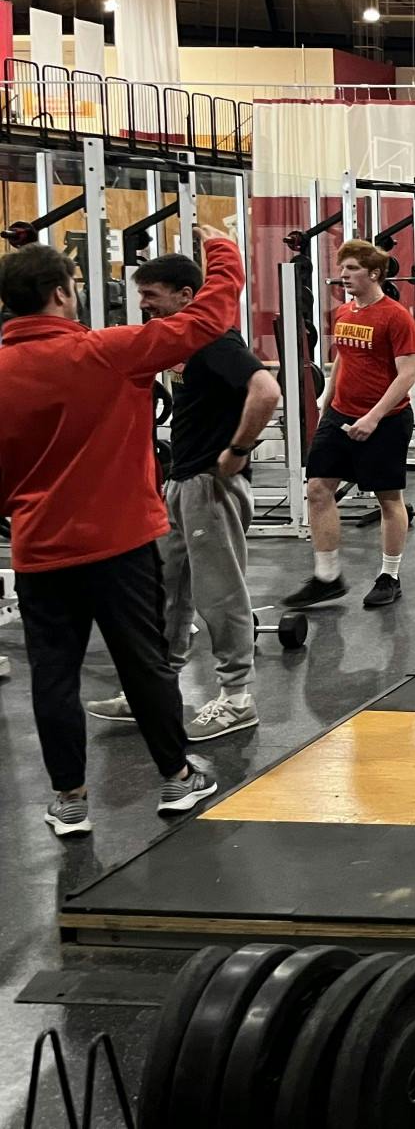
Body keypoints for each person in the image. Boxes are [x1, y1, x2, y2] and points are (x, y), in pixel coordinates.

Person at [0, 229, 242, 836]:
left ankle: (71, 800)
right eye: (76, 286)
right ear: (59, 294)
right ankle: (176, 779)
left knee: (54, 675)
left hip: (39, 548)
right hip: (119, 543)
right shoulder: (107, 351)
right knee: (145, 663)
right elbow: (208, 316)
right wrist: (223, 252)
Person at [86, 254, 278, 742]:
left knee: (220, 594)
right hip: (181, 484)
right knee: (165, 589)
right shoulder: (191, 345)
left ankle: (237, 698)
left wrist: (237, 451)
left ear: (185, 296)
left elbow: (266, 390)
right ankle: (154, 688)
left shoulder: (216, 341)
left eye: (151, 295)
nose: (144, 305)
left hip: (208, 487)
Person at [283, 239, 415, 610]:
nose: (343, 275)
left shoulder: (396, 316)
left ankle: (389, 576)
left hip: (387, 420)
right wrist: (326, 398)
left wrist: (373, 417)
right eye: (342, 268)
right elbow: (345, 358)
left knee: (388, 498)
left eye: (351, 269)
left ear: (374, 273)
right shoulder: (345, 313)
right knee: (317, 489)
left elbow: (408, 374)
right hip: (341, 415)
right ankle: (327, 576)